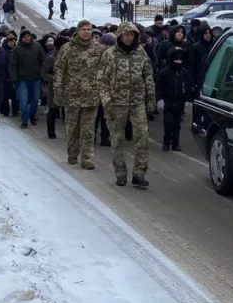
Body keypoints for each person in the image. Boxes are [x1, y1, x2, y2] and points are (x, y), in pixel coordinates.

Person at [99, 21, 154, 188]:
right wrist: (106, 101)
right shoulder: (110, 54)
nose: (129, 37)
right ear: (120, 35)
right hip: (116, 103)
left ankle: (139, 173)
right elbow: (102, 80)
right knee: (117, 139)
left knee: (142, 137)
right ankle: (120, 173)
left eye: (132, 34)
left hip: (137, 102)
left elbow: (148, 75)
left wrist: (151, 97)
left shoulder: (140, 52)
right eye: (126, 34)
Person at [53, 19, 106, 169]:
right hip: (72, 95)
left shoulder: (99, 49)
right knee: (72, 128)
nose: (87, 32)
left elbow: (104, 71)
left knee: (88, 130)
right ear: (78, 31)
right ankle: (72, 154)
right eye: (83, 29)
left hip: (91, 96)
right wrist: (58, 90)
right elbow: (59, 70)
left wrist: (103, 91)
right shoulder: (67, 48)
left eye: (89, 29)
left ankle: (87, 158)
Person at [155, 45, 193, 152]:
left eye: (180, 59)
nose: (178, 61)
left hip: (179, 102)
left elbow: (188, 85)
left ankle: (175, 143)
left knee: (177, 124)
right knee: (168, 123)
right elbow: (159, 87)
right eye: (176, 58)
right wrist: (159, 99)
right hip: (168, 101)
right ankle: (166, 142)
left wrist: (188, 99)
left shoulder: (184, 72)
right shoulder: (164, 72)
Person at [10, 29, 46, 129]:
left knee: (35, 101)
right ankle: (24, 120)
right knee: (23, 102)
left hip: (36, 79)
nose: (27, 38)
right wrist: (14, 79)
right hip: (22, 80)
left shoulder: (37, 47)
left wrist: (43, 75)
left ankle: (32, 116)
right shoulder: (17, 49)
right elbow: (13, 66)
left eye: (29, 36)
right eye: (25, 37)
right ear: (21, 38)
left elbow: (43, 61)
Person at [41, 33, 68, 139]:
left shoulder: (69, 57)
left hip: (67, 87)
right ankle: (51, 131)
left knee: (67, 111)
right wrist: (55, 78)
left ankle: (69, 133)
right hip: (54, 88)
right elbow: (43, 72)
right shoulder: (51, 58)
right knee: (52, 109)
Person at [189, 25, 216, 90]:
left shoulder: (214, 45)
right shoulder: (196, 47)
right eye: (206, 33)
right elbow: (192, 66)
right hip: (200, 78)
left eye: (209, 33)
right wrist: (192, 83)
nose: (208, 35)